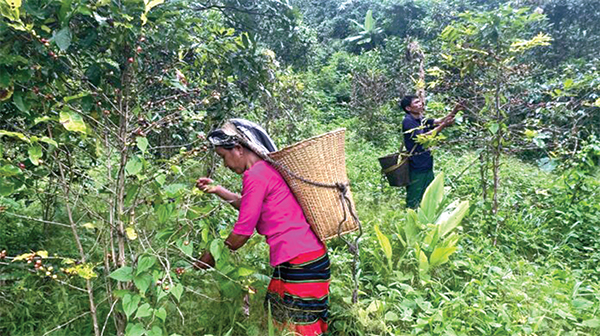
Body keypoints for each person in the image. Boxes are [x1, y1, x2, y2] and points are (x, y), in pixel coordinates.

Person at [194, 118, 330, 336]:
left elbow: (241, 233)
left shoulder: (256, 175)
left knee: (299, 327)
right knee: (279, 315)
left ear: (238, 149)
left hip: (300, 260)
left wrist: (205, 261)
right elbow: (249, 205)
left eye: (223, 157)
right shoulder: (264, 169)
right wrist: (218, 189)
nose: (225, 165)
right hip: (302, 256)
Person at [401, 96, 462, 208]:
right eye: (416, 102)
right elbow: (423, 137)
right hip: (416, 164)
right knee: (415, 193)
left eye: (420, 101)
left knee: (428, 193)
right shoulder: (408, 121)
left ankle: (424, 215)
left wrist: (455, 110)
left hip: (426, 162)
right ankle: (410, 215)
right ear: (408, 108)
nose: (420, 104)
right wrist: (443, 126)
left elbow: (439, 121)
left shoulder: (421, 118)